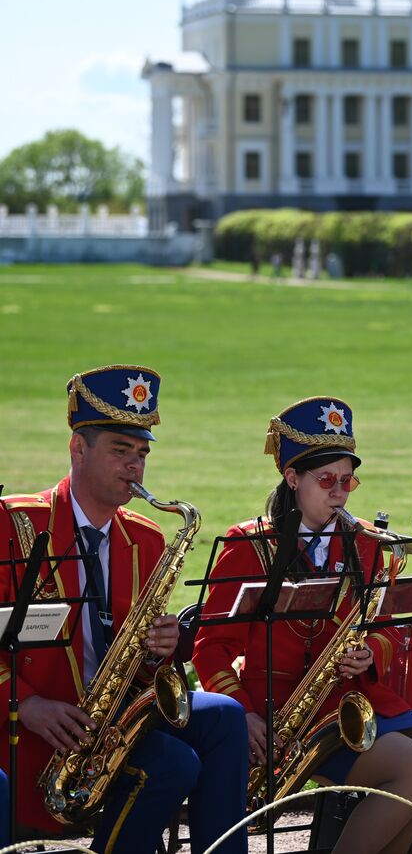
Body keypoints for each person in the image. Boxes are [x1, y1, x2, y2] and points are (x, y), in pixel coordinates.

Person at [193, 396, 412, 854]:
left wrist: (371, 653)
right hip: (279, 711)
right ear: (292, 478)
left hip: (352, 701)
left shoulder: (364, 540)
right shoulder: (248, 545)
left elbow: (383, 627)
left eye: (348, 481)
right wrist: (242, 711)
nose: (340, 493)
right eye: (327, 480)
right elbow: (210, 646)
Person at [0, 365, 247, 853]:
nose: (135, 466)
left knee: (225, 715)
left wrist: (164, 647)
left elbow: (142, 661)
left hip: (109, 717)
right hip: (30, 720)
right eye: (120, 450)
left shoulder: (147, 537)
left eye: (141, 453)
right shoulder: (14, 523)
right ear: (77, 448)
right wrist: (25, 702)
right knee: (173, 763)